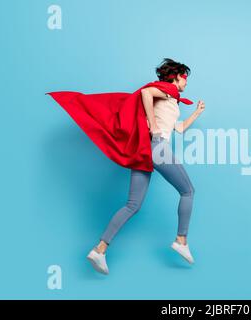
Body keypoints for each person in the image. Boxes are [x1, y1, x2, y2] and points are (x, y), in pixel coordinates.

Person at [84, 58, 206, 274]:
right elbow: (146, 93)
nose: (186, 83)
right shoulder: (167, 89)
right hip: (157, 147)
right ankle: (181, 240)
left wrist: (196, 113)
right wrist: (154, 124)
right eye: (184, 79)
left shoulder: (171, 99)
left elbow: (178, 128)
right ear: (176, 78)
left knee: (132, 205)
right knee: (188, 191)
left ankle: (99, 250)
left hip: (145, 150)